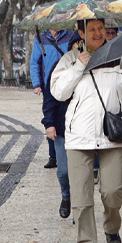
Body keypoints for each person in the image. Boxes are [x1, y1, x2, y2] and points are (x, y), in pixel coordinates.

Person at [50, 19, 122, 243]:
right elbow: (58, 92)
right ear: (81, 32)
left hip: (113, 135)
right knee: (80, 195)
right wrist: (79, 65)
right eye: (91, 29)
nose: (98, 33)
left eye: (101, 28)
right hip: (79, 136)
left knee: (113, 191)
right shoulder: (69, 59)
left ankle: (112, 225)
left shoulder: (121, 56)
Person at [40, 31, 82, 219]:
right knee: (64, 171)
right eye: (77, 44)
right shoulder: (60, 66)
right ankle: (66, 196)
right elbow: (50, 98)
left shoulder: (94, 66)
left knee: (82, 174)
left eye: (84, 43)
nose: (80, 47)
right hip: (62, 128)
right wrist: (49, 124)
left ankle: (81, 208)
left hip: (84, 129)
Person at [31, 29, 79, 169]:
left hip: (68, 81)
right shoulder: (40, 39)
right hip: (50, 84)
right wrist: (37, 84)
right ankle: (53, 156)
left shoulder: (71, 36)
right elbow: (35, 63)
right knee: (51, 118)